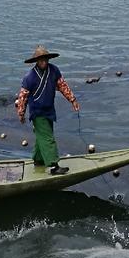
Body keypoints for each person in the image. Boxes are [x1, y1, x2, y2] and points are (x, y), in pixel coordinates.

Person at [15, 45, 80, 175]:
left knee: (43, 136)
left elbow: (63, 86)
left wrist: (72, 100)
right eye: (41, 60)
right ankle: (54, 165)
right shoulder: (30, 77)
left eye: (45, 59)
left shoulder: (54, 70)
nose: (43, 62)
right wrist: (21, 113)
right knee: (48, 138)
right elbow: (23, 97)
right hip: (37, 112)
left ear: (48, 59)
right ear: (36, 61)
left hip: (49, 110)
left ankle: (38, 159)